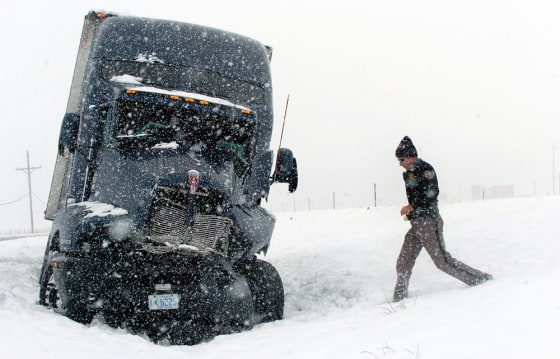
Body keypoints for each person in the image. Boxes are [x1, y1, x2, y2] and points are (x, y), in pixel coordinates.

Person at [392, 136, 492, 302]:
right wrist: (413, 210)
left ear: (410, 156)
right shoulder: (409, 173)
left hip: (429, 223)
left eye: (401, 159)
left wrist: (413, 206)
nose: (400, 163)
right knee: (403, 261)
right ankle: (399, 298)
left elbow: (432, 194)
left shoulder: (425, 169)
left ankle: (480, 279)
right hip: (416, 225)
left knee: (443, 262)